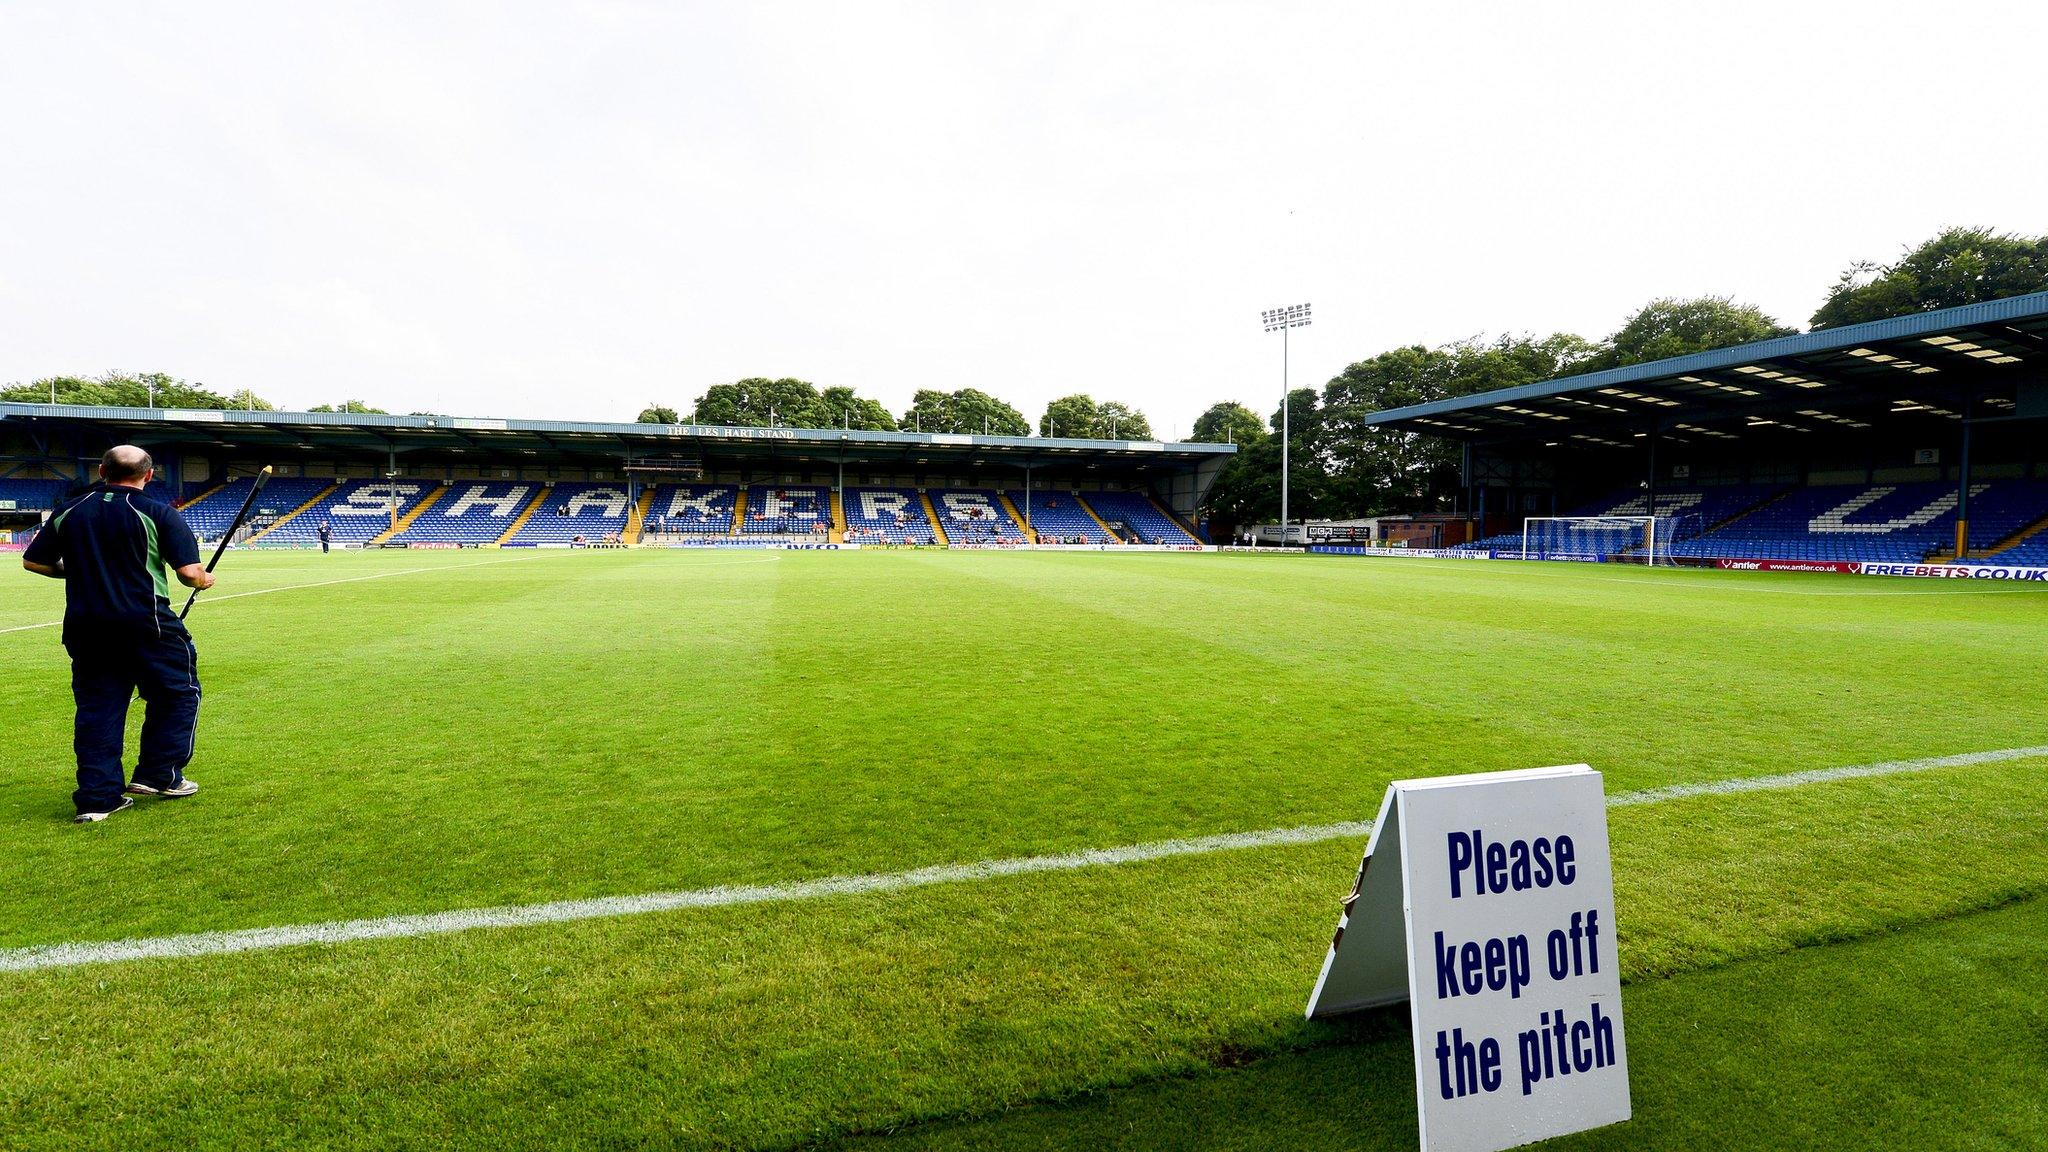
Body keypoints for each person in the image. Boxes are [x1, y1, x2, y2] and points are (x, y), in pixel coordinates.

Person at [21, 446, 213, 823]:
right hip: (147, 623)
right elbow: (189, 573)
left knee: (98, 709)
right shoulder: (157, 512)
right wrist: (204, 579)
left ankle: (97, 798)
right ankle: (159, 774)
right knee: (178, 694)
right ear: (149, 475)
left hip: (87, 626)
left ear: (101, 470)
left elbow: (34, 561)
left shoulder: (69, 510)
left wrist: (76, 571)